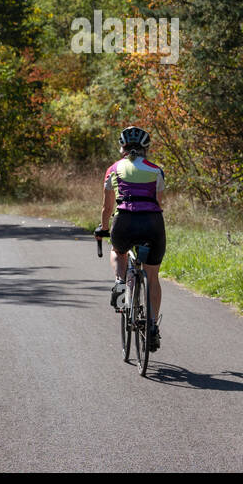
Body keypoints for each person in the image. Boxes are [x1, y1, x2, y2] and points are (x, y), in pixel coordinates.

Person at [97, 126, 165, 352]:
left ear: (122, 148)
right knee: (153, 277)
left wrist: (103, 227)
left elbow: (107, 207)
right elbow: (159, 202)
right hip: (152, 224)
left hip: (124, 222)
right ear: (147, 148)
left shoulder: (113, 169)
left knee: (118, 251)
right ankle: (152, 326)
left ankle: (119, 282)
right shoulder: (156, 170)